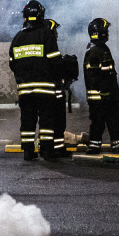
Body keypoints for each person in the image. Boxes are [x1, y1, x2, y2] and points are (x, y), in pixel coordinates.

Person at [9, 0, 62, 161]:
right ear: (41, 15)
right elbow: (55, 60)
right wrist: (56, 77)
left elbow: (12, 63)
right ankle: (46, 151)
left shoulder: (17, 38)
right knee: (46, 119)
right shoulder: (46, 34)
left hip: (25, 89)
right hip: (44, 87)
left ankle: (27, 150)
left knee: (27, 119)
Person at [83, 18, 119, 154]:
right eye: (105, 30)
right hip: (100, 97)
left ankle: (117, 145)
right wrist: (106, 92)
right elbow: (94, 78)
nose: (107, 33)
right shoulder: (94, 52)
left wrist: (114, 92)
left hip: (108, 96)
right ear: (99, 32)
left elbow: (110, 74)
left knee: (114, 121)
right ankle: (95, 146)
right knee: (98, 122)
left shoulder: (102, 49)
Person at [45, 19, 77, 157]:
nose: (57, 34)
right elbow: (55, 66)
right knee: (51, 122)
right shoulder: (48, 46)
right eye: (55, 31)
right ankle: (49, 149)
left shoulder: (51, 45)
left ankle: (58, 147)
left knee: (59, 122)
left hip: (56, 92)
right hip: (50, 93)